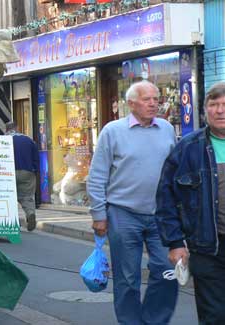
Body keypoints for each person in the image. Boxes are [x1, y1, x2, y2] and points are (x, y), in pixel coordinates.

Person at [86, 80, 178, 324]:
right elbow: (97, 175)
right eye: (147, 99)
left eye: (156, 99)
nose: (153, 104)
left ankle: (154, 320)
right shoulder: (113, 131)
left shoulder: (167, 129)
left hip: (161, 214)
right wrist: (98, 214)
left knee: (168, 271)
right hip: (122, 213)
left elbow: (176, 172)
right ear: (131, 104)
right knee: (127, 277)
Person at [156, 81, 225, 324]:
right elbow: (166, 199)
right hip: (207, 248)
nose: (219, 110)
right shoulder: (188, 149)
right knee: (214, 316)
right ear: (205, 110)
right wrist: (175, 243)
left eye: (224, 104)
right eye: (213, 104)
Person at [5, 121, 39, 231]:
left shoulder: (3, 140)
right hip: (27, 172)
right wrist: (35, 170)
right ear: (17, 128)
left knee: (9, 197)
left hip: (7, 173)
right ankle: (30, 214)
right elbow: (36, 157)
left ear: (6, 129)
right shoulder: (28, 140)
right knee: (27, 196)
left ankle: (13, 222)